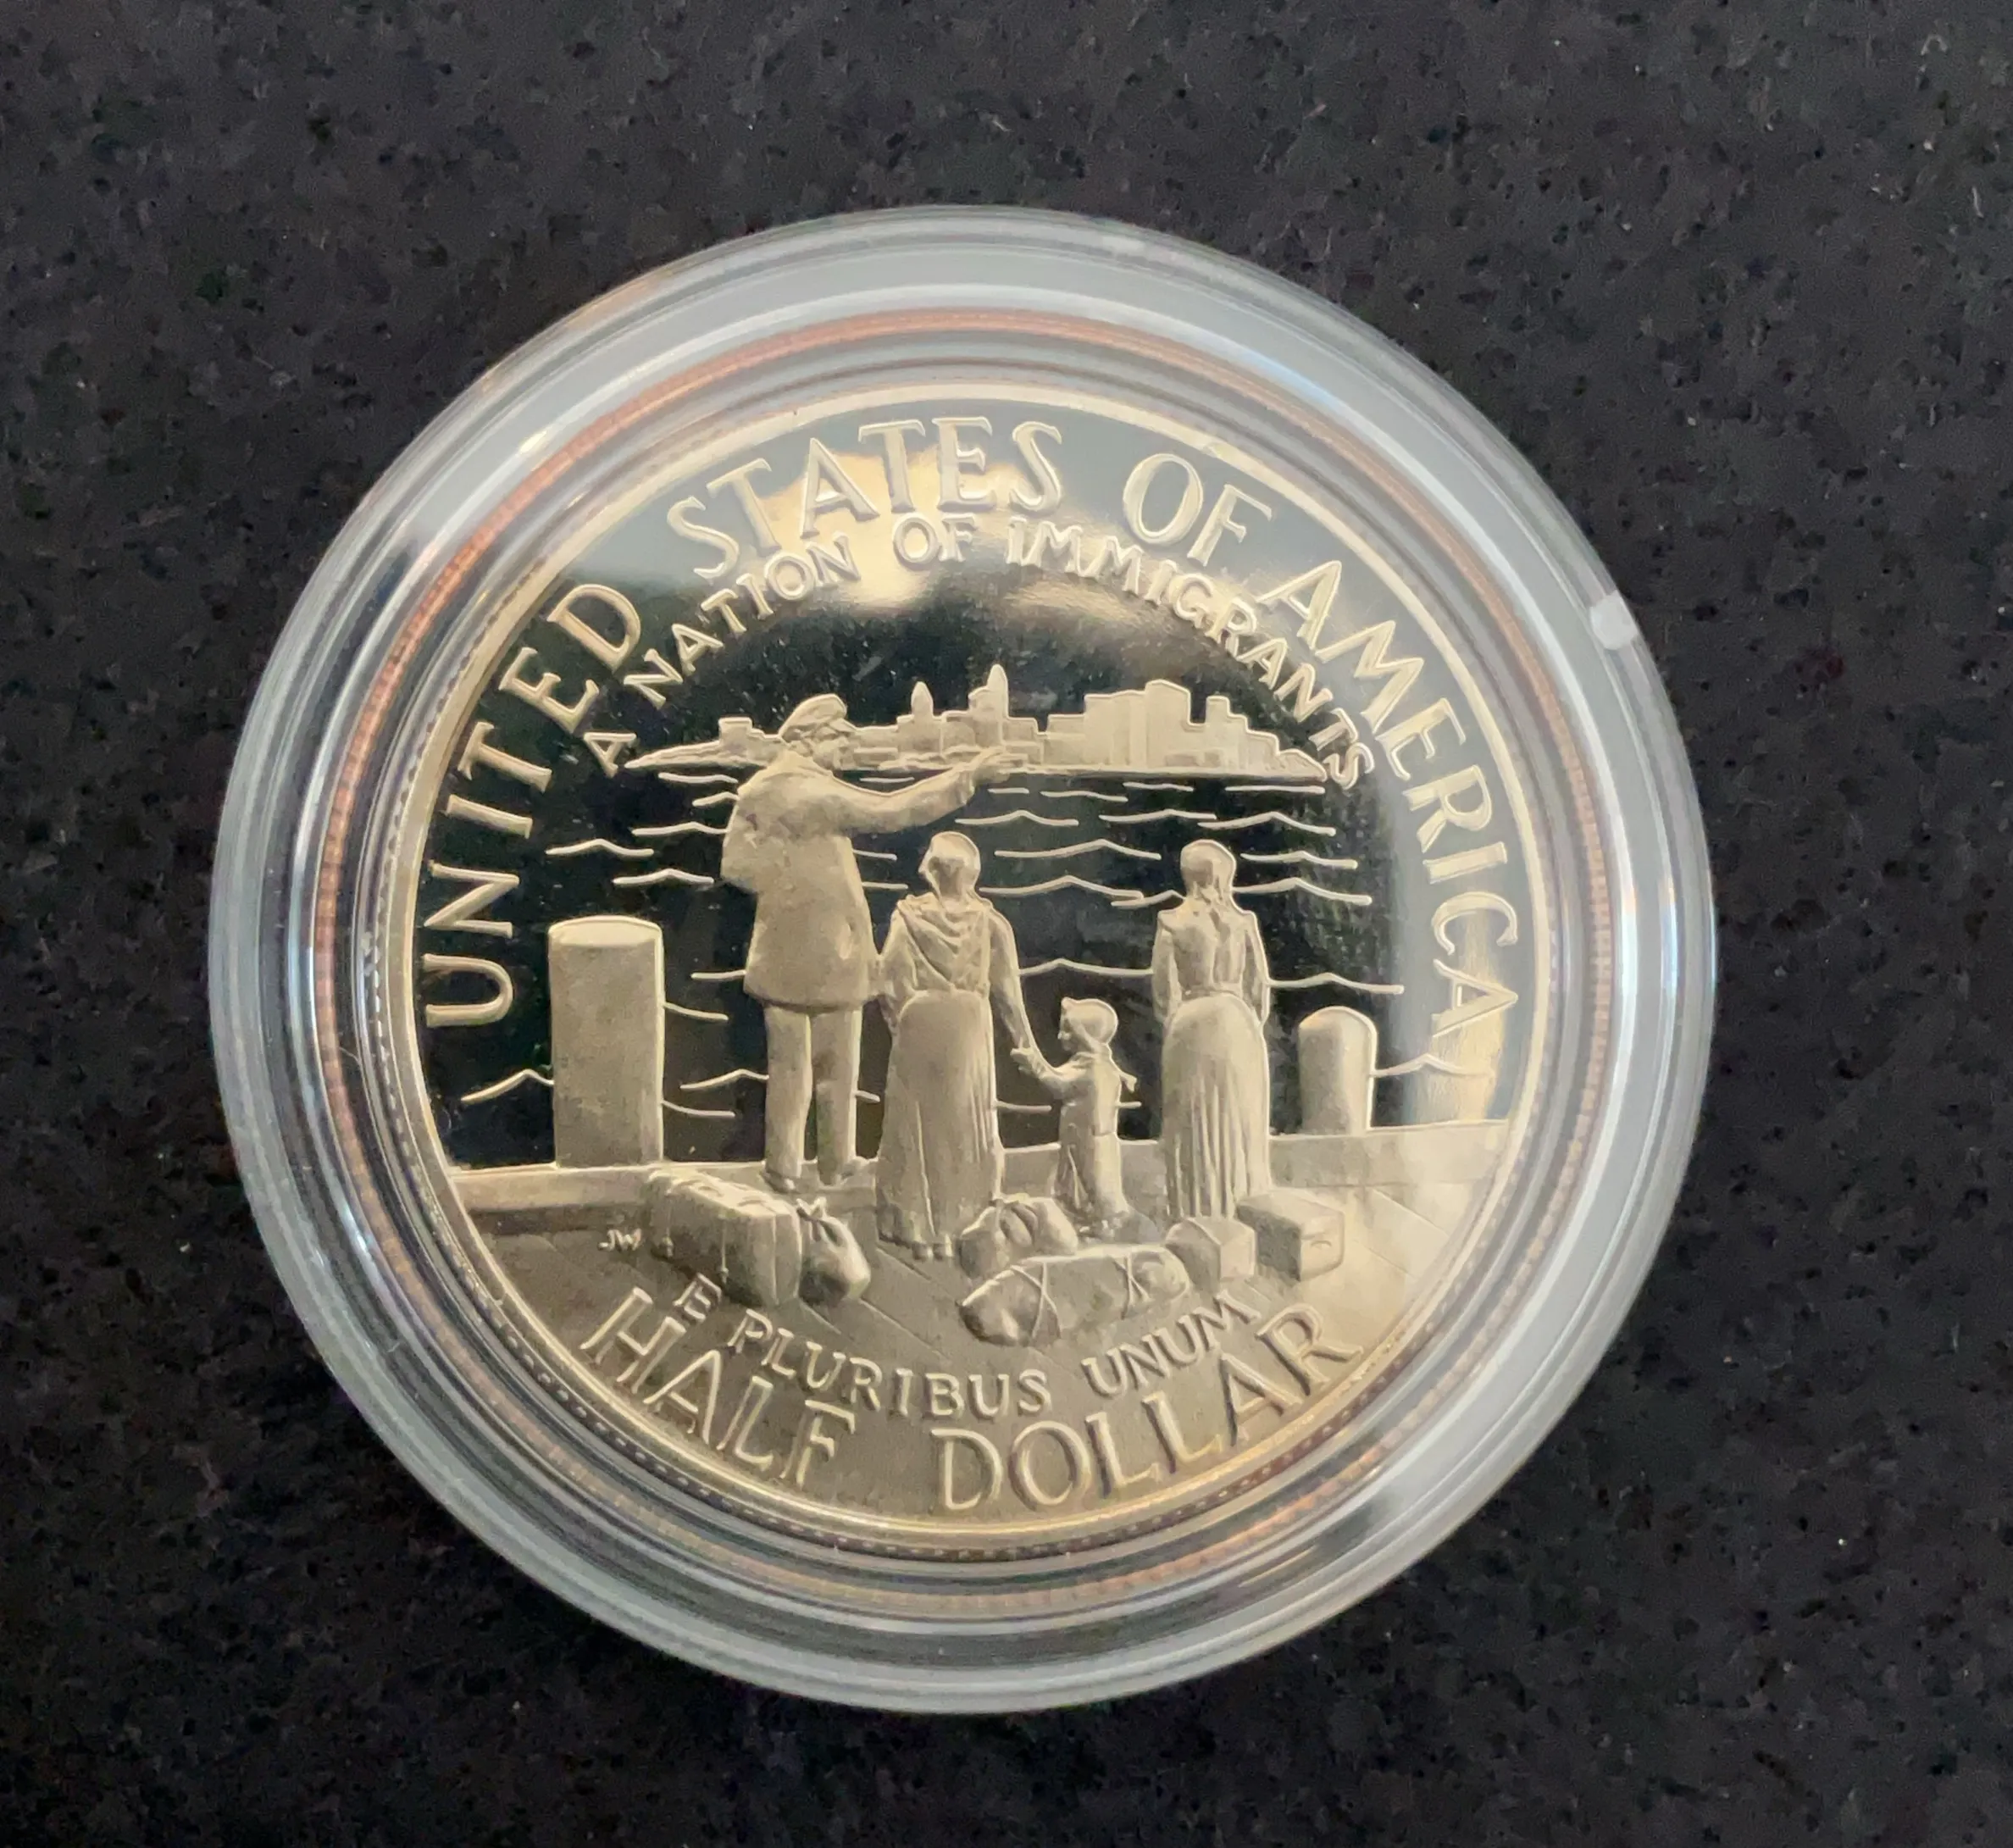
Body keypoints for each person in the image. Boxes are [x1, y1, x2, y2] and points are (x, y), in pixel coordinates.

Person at [719, 694, 1013, 1193]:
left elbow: (736, 867)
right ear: (808, 740)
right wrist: (968, 777)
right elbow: (890, 810)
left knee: (791, 1066)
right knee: (832, 1066)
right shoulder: (807, 791)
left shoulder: (763, 790)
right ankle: (832, 1163)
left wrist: (784, 883)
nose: (847, 747)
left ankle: (787, 1166)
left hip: (781, 948)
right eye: (839, 738)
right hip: (829, 948)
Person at [874, 832, 1037, 1257]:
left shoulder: (907, 917)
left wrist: (902, 1022)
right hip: (968, 1022)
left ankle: (919, 1233)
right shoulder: (991, 923)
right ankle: (961, 1228)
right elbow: (1009, 994)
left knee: (917, 1127)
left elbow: (889, 980)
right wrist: (1028, 1048)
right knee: (965, 1125)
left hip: (920, 1020)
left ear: (932, 870)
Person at [1151, 839, 1273, 1219]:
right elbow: (1260, 989)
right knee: (1241, 1119)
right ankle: (1243, 1206)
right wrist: (1247, 1021)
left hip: (1191, 1022)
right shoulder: (1243, 921)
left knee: (1192, 1119)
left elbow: (1163, 992)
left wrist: (1177, 1023)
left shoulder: (1171, 922)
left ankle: (1195, 1212)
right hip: (1238, 1022)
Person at [1013, 996, 1138, 1240]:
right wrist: (1037, 1065)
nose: (1061, 1036)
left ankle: (1106, 1219)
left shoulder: (1094, 1069)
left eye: (1068, 1031)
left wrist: (1036, 1066)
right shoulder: (1092, 1064)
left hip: (1090, 1139)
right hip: (1078, 1135)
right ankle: (1082, 1214)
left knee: (1094, 1178)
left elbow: (1059, 1085)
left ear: (1084, 1035)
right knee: (1077, 1176)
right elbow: (1059, 1076)